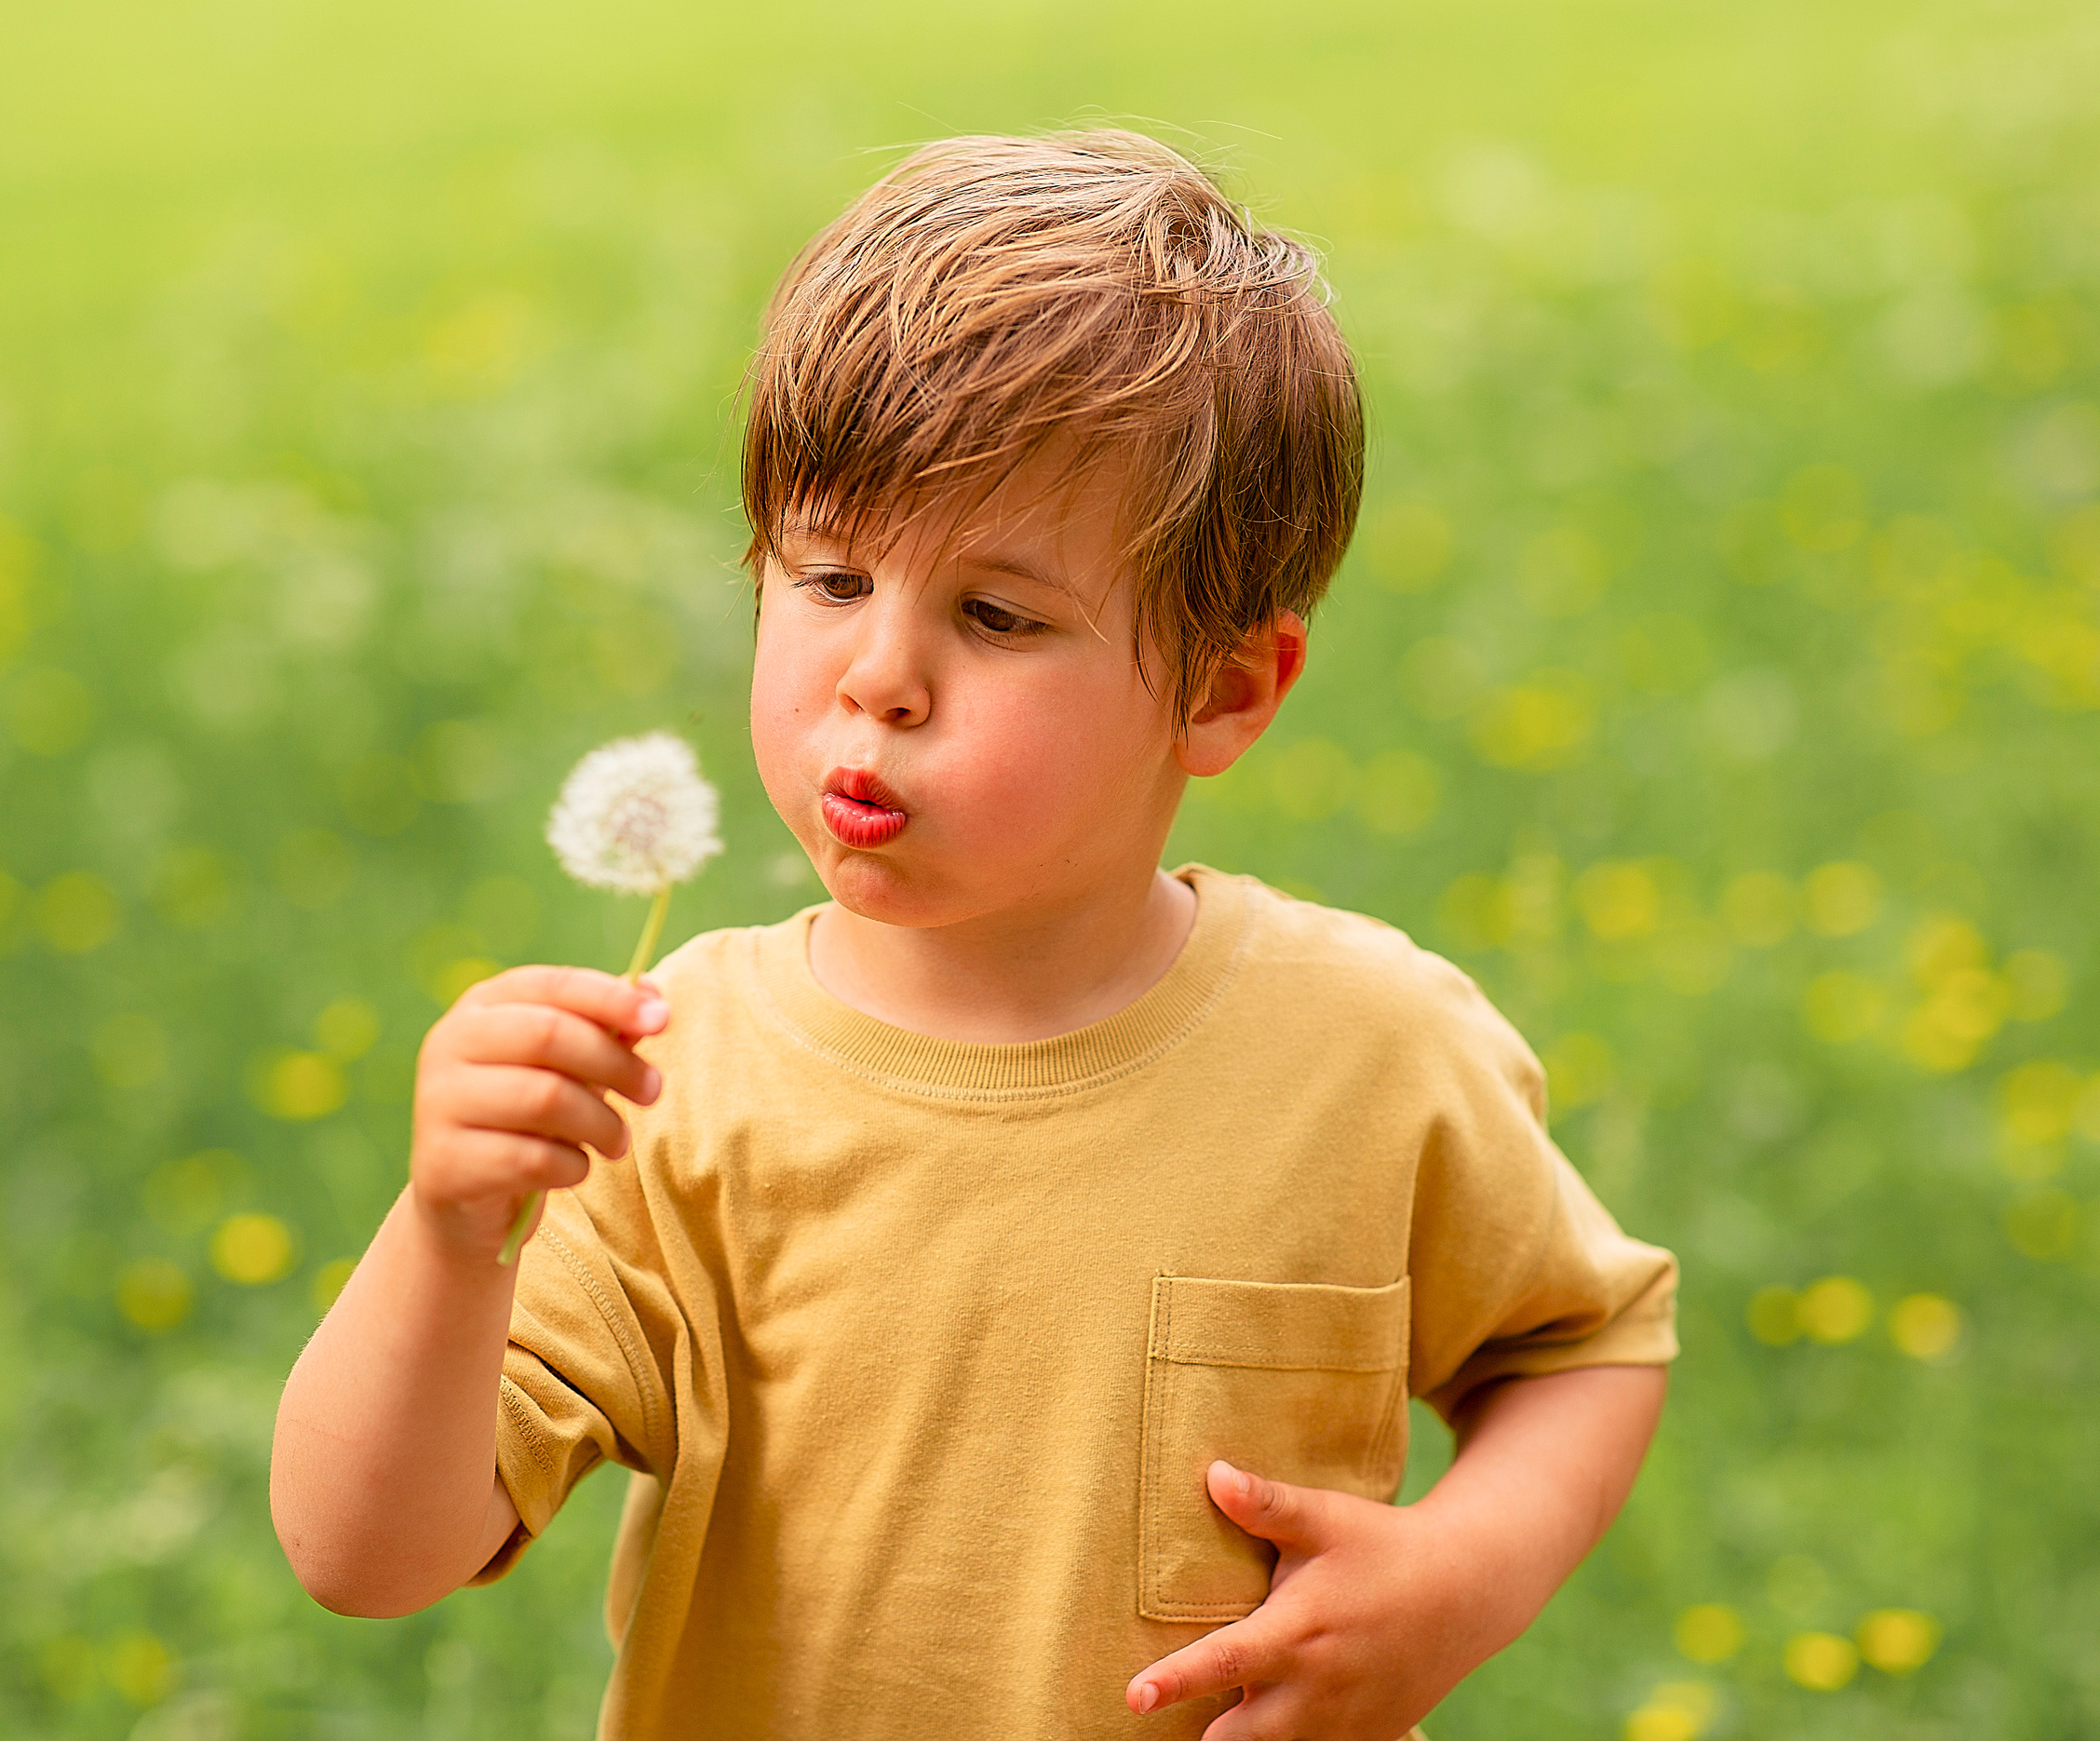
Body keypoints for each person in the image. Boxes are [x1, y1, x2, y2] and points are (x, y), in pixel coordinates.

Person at [269, 129, 1676, 1741]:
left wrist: (1455, 1579)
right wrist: (449, 1236)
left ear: (1225, 690)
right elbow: (363, 1553)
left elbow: (1584, 1340)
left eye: (997, 614)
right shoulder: (673, 1079)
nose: (878, 675)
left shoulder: (1369, 1047)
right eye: (829, 574)